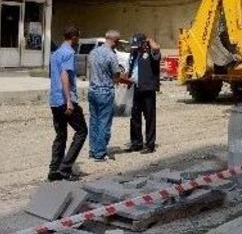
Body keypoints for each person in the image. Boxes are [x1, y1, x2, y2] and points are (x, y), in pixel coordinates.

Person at [48, 27, 88, 182]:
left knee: (61, 135)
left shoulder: (56, 53)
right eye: (78, 36)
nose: (78, 39)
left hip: (54, 100)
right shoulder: (69, 53)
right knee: (82, 131)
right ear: (73, 37)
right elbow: (64, 74)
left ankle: (54, 170)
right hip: (65, 100)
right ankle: (65, 169)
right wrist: (69, 101)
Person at [88, 30, 132, 162]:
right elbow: (117, 77)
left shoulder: (93, 52)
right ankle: (100, 153)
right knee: (104, 122)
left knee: (94, 121)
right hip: (105, 92)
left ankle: (93, 149)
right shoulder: (111, 56)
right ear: (115, 41)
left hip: (92, 91)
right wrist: (129, 81)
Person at [128, 33, 161, 154]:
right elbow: (132, 69)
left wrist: (149, 40)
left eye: (138, 45)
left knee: (149, 118)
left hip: (148, 89)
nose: (136, 48)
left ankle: (149, 144)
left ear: (144, 43)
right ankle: (136, 143)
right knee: (135, 117)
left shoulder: (151, 54)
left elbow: (157, 49)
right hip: (136, 88)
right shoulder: (135, 54)